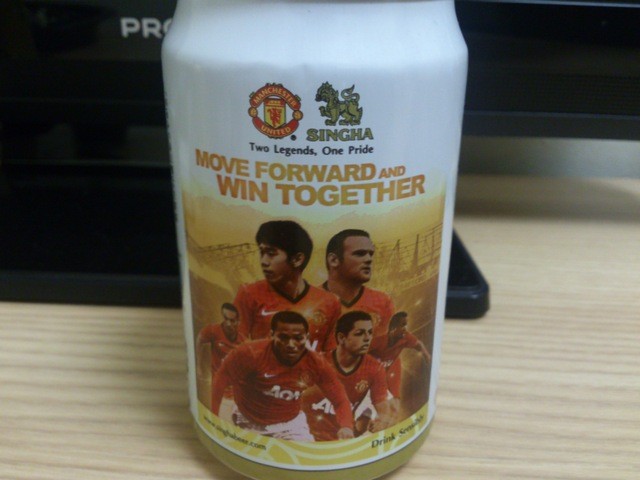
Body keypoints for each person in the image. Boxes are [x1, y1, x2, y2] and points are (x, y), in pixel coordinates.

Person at [211, 311, 354, 441]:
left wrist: (346, 426)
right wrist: (214, 416)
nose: (291, 344)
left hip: (289, 425)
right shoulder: (249, 353)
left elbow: (340, 399)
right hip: (246, 420)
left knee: (304, 456)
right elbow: (220, 381)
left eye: (298, 338)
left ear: (307, 337)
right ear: (272, 335)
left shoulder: (317, 364)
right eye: (283, 337)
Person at [235, 220, 341, 351]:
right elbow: (234, 351)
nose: (263, 261)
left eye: (271, 254)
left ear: (297, 259)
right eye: (262, 253)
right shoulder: (249, 294)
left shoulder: (329, 302)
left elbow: (331, 357)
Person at [302, 311, 393, 441]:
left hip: (342, 436)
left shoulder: (375, 368)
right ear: (341, 338)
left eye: (370, 332)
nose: (367, 338)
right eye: (360, 333)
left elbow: (382, 405)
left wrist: (382, 421)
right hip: (306, 435)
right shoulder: (318, 363)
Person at [323, 229, 394, 345]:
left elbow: (382, 350)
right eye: (360, 254)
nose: (369, 259)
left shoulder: (383, 301)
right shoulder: (310, 302)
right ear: (334, 260)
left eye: (370, 254)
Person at [368, 311, 431, 419]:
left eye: (406, 325)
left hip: (387, 375)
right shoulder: (378, 341)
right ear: (393, 327)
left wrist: (428, 357)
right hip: (369, 378)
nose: (405, 328)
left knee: (394, 407)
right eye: (402, 325)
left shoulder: (406, 337)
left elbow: (419, 344)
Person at [195, 303, 246, 419]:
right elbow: (200, 339)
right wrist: (198, 365)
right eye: (226, 319)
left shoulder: (242, 341)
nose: (228, 323)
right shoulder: (213, 331)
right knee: (216, 417)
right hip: (219, 388)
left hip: (235, 393)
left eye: (232, 321)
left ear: (238, 322)